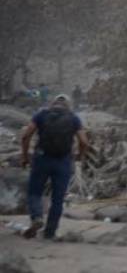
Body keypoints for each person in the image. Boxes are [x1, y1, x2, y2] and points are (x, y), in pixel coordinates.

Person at [18, 95, 88, 240]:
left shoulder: (42, 114)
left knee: (35, 192)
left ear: (52, 103)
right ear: (68, 105)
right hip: (63, 162)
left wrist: (25, 156)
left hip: (42, 158)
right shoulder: (73, 118)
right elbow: (84, 142)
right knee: (58, 199)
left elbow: (26, 136)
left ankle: (37, 217)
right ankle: (50, 232)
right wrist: (79, 157)